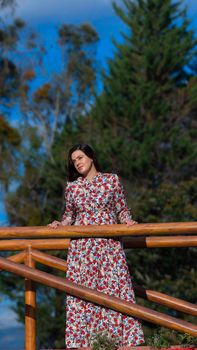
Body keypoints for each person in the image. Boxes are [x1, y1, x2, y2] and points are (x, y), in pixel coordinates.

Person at [48, 143, 144, 349]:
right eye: (74, 161)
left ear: (91, 157)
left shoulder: (112, 180)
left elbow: (122, 209)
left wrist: (129, 221)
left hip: (108, 246)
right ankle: (85, 342)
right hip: (82, 249)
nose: (77, 163)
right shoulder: (72, 187)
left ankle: (121, 341)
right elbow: (69, 216)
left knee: (114, 288)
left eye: (80, 158)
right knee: (83, 292)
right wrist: (60, 224)